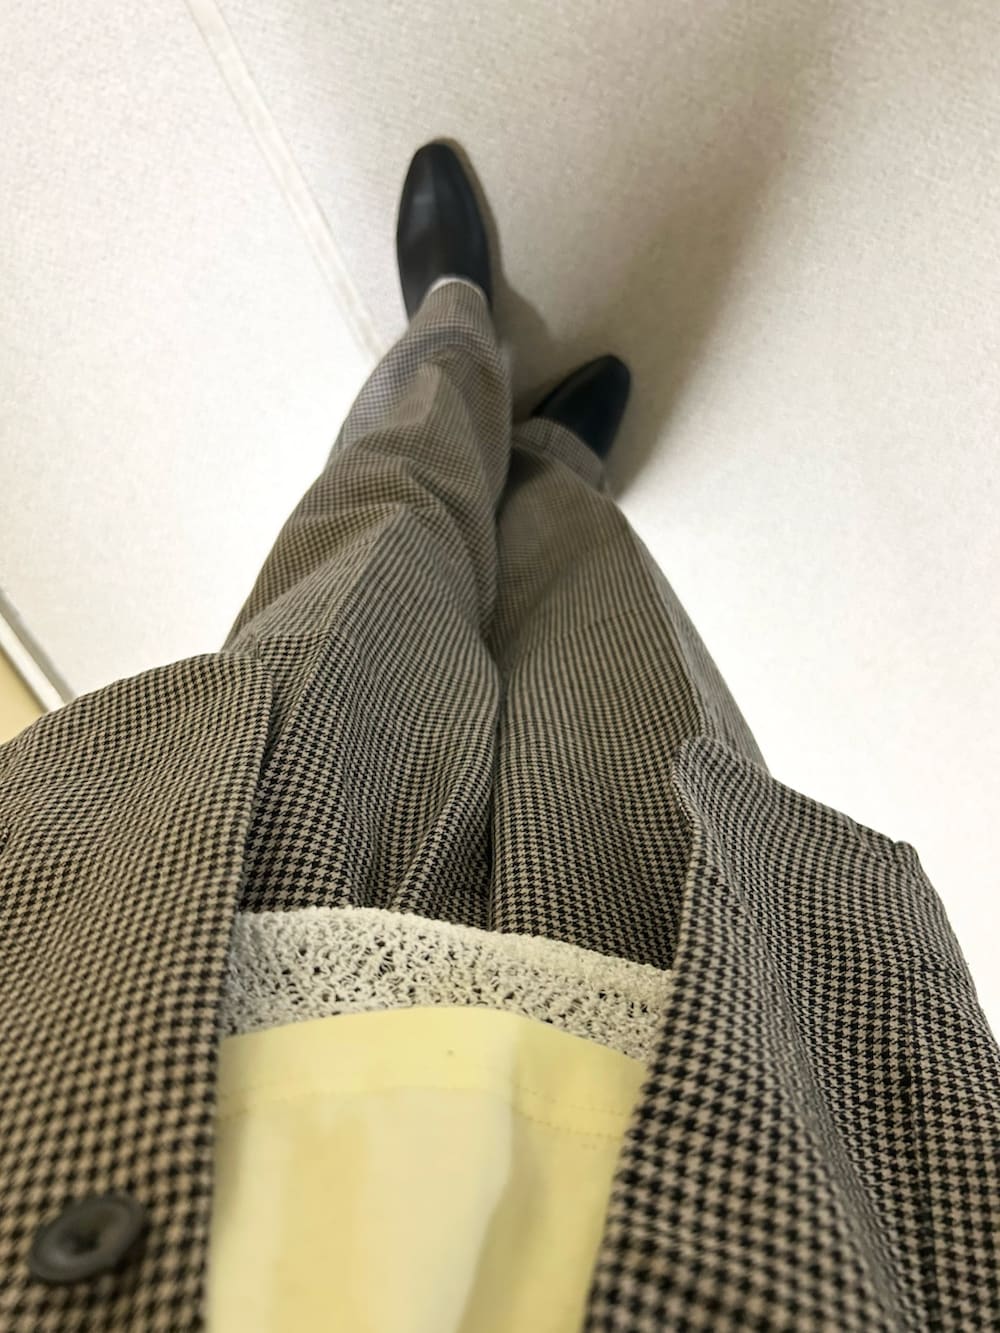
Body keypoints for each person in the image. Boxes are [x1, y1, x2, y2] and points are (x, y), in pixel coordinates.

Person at [2, 142, 998, 1333]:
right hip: (708, 1077)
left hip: (205, 986)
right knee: (603, 605)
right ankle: (555, 466)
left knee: (384, 525)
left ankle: (452, 336)